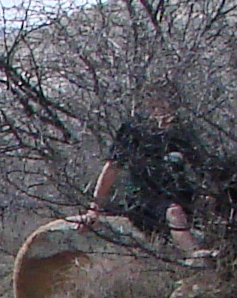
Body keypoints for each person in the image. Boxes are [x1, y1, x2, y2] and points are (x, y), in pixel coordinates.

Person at [84, 78, 201, 252]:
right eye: (156, 100)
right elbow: (112, 167)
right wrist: (95, 208)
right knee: (174, 213)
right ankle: (195, 256)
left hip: (180, 194)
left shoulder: (183, 130)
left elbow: (201, 166)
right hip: (144, 199)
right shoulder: (134, 129)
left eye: (166, 99)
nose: (162, 105)